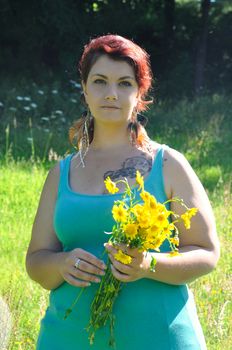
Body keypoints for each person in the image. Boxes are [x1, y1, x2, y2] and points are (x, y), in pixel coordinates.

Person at [26, 34, 220, 350]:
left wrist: (149, 265)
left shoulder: (168, 163)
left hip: (159, 340)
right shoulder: (61, 173)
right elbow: (36, 262)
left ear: (140, 93)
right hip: (67, 340)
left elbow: (207, 253)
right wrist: (61, 264)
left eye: (125, 83)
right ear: (85, 90)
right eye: (100, 81)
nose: (112, 94)